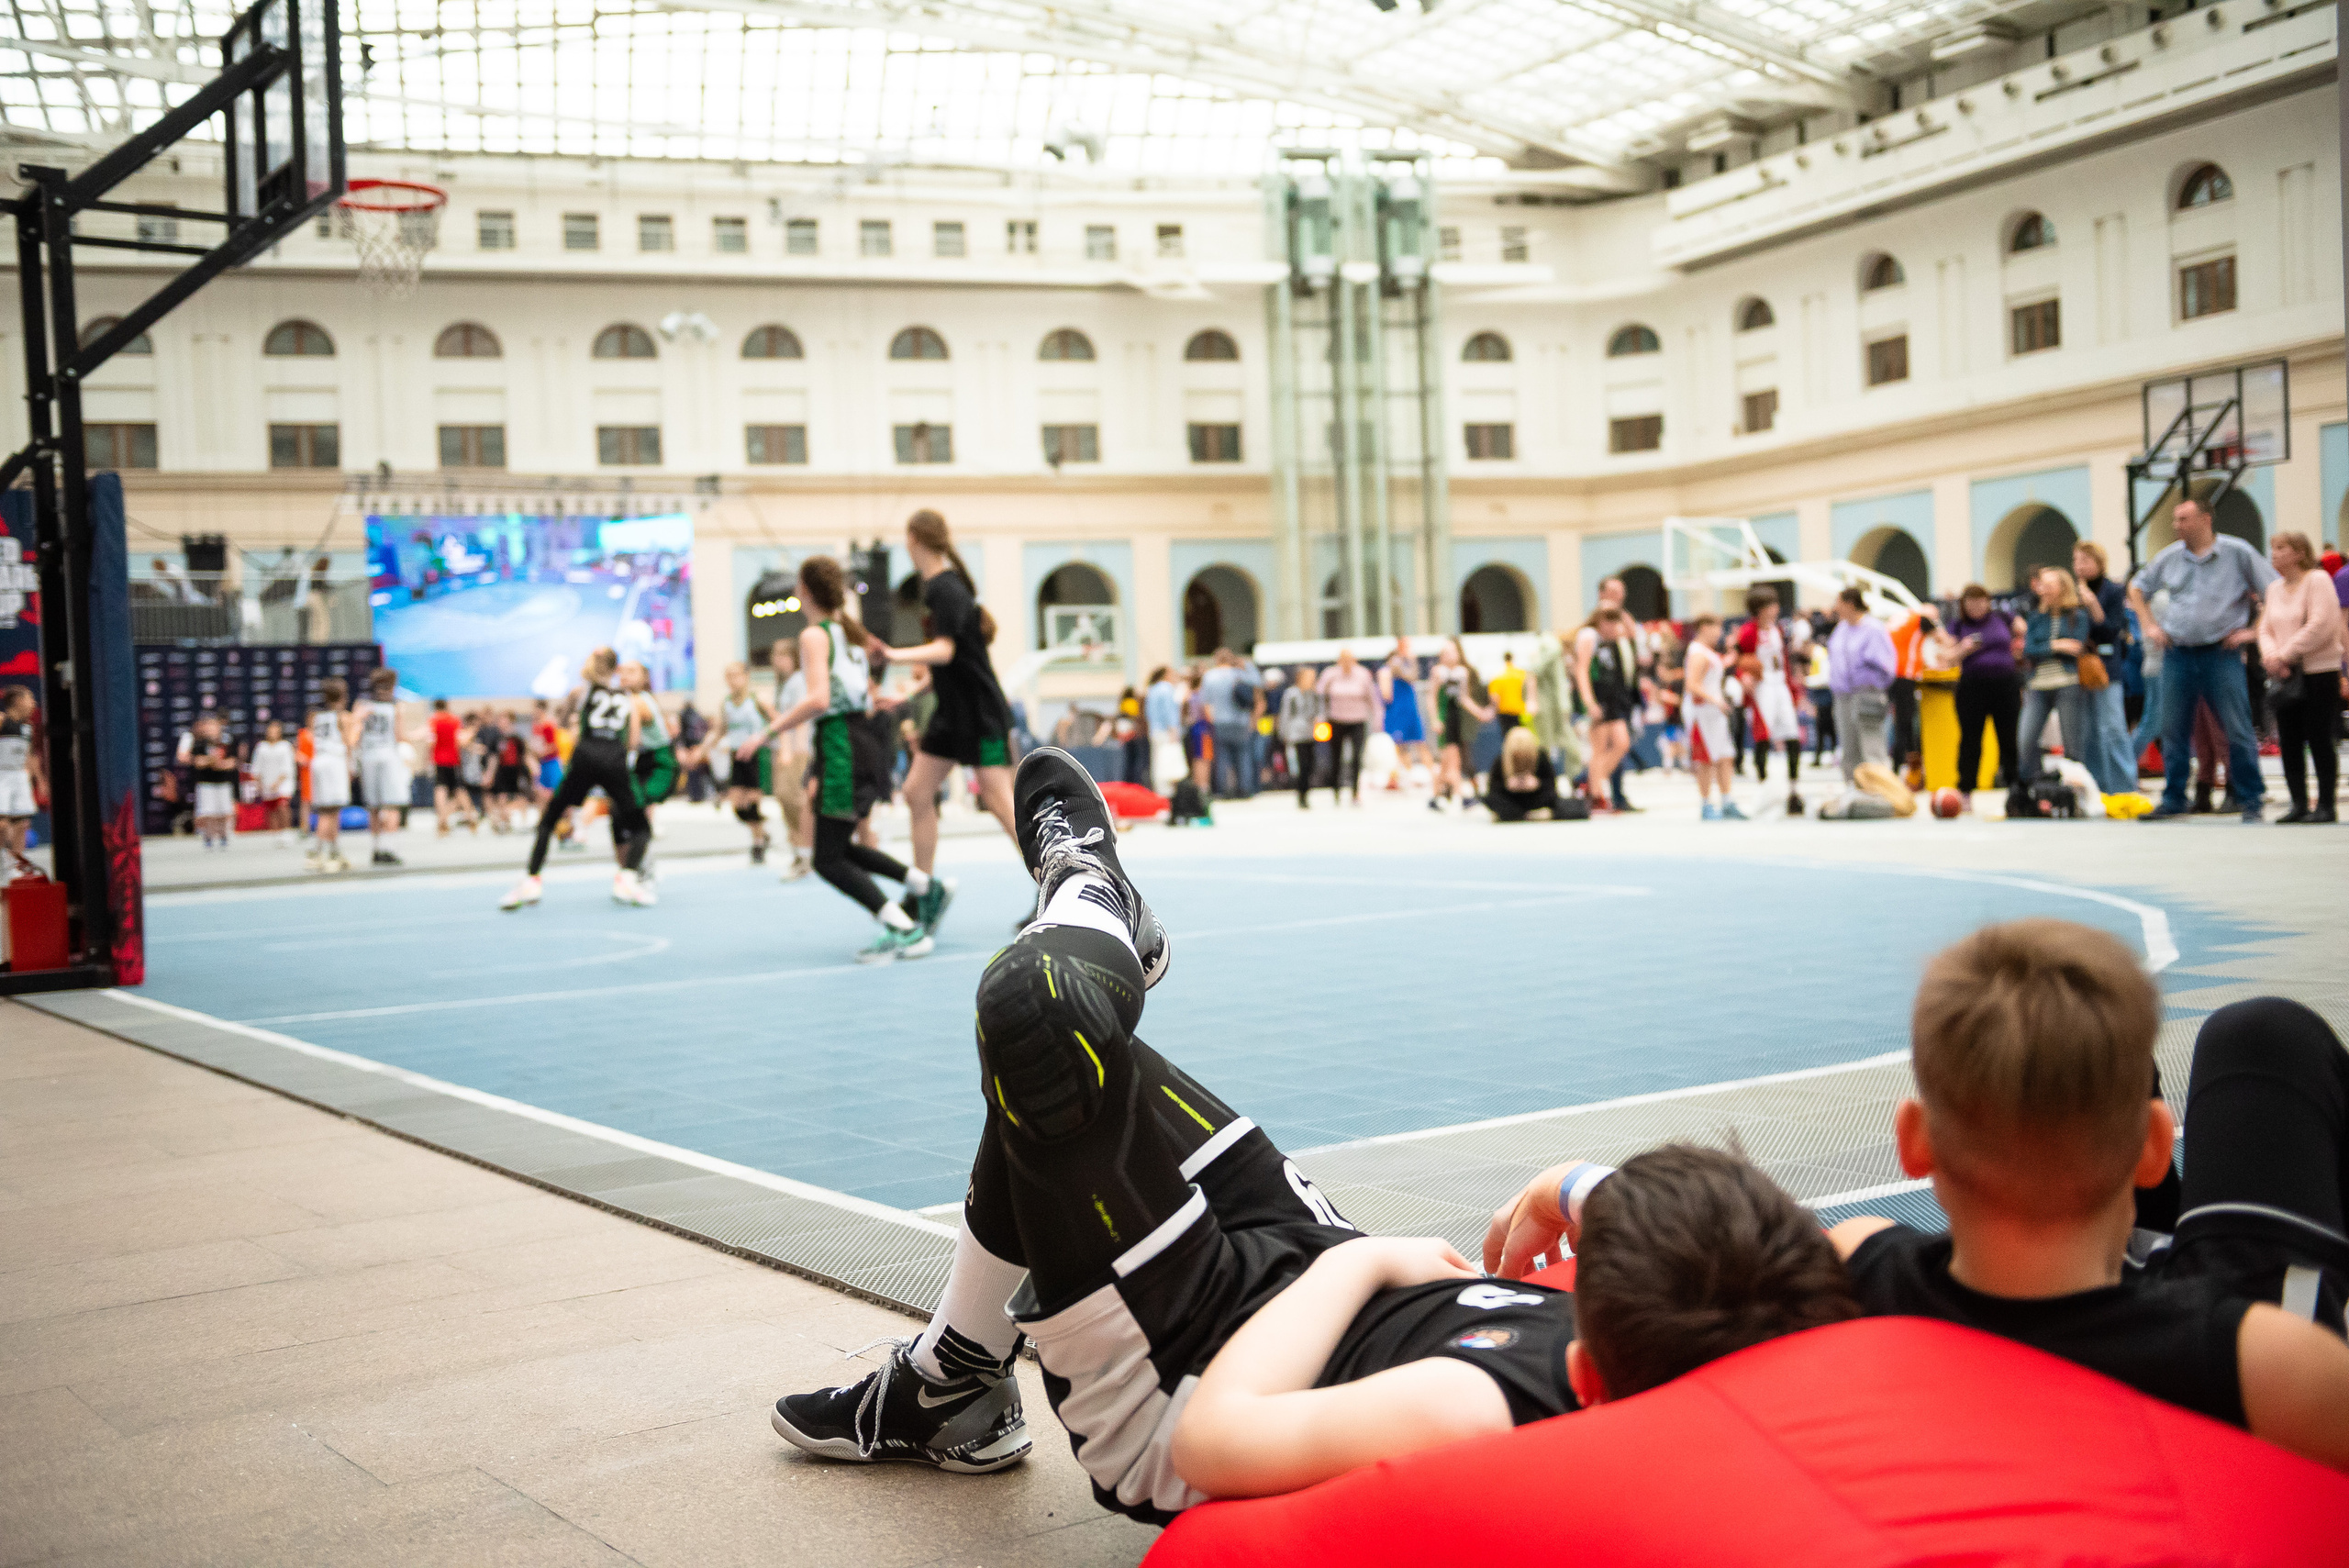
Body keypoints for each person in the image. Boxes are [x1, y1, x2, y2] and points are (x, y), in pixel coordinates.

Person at [772, 747, 1854, 1514]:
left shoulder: (1475, 1404)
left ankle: (1091, 893)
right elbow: (1817, 1252)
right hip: (1298, 1259)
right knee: (1068, 1072)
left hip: (1184, 1368)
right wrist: (1571, 1185)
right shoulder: (1708, 1319)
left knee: (1041, 1025)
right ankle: (949, 1378)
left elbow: (1213, 1440)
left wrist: (1372, 1258)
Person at [1823, 920, 2349, 1473]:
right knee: (2260, 1035)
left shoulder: (1851, 1271)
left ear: (1912, 1141)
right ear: (2155, 1146)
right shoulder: (2272, 1365)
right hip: (2193, 1358)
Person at [740, 557, 930, 962]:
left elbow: (819, 700)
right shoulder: (850, 633)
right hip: (862, 738)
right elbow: (865, 688)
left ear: (804, 590)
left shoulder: (815, 635)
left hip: (841, 742)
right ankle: (923, 885)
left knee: (826, 858)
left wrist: (768, 732)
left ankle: (904, 927)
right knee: (838, 845)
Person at [862, 510, 1019, 936]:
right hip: (952, 714)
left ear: (914, 538)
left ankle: (1056, 889)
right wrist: (908, 693)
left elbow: (948, 651)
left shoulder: (946, 587)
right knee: (916, 792)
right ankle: (923, 889)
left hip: (980, 713)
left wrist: (893, 655)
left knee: (1000, 802)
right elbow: (952, 662)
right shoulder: (940, 588)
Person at [2128, 491, 2276, 822]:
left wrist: (2254, 631)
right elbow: (2137, 589)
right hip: (2178, 653)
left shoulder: (2237, 552)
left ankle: (2251, 798)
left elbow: (2273, 590)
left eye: (2183, 518)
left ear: (2205, 520)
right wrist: (2149, 625)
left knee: (2236, 728)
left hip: (2220, 653)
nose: (2176, 524)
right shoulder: (2168, 557)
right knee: (2173, 728)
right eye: (2175, 519)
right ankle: (2175, 798)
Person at [501, 647, 655, 910]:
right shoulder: (628, 697)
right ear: (616, 669)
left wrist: (577, 726)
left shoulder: (580, 691)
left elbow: (561, 723)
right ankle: (627, 877)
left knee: (549, 820)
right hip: (615, 762)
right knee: (642, 827)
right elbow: (633, 741)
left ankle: (532, 879)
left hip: (585, 759)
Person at [2258, 530, 2343, 824]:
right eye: (2273, 548)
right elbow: (2265, 628)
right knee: (2290, 739)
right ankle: (2298, 802)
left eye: (2281, 548)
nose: (2275, 554)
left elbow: (2322, 623)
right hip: (2284, 674)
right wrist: (2271, 656)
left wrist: (2285, 655)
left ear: (2298, 552)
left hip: (2318, 671)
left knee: (2319, 738)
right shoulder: (2273, 589)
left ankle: (2326, 805)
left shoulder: (2317, 580)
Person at [2016, 566, 2090, 793]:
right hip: (2038, 684)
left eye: (2049, 585)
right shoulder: (2036, 617)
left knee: (2072, 744)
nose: (2043, 590)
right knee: (2025, 740)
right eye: (2042, 585)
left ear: (2062, 587)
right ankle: (2037, 788)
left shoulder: (2078, 616)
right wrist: (2056, 645)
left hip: (2068, 683)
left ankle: (2074, 792)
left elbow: (2076, 646)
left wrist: (2044, 647)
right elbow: (2028, 649)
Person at [1733, 587, 1806, 816]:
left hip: (1780, 684)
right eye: (1771, 604)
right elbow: (1738, 659)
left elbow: (1784, 660)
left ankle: (1794, 790)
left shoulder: (1779, 629)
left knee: (1793, 735)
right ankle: (1764, 786)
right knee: (1763, 736)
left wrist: (1794, 688)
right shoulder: (1748, 632)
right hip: (1762, 686)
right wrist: (1743, 677)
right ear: (1761, 608)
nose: (1776, 608)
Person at [1946, 584, 2023, 798]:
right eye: (1970, 603)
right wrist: (1963, 648)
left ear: (1988, 601)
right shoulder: (1958, 625)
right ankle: (1966, 788)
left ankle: (2014, 786)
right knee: (1971, 739)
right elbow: (1947, 657)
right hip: (1973, 687)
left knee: (2008, 737)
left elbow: (2024, 628)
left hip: (2005, 684)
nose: (1976, 607)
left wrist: (2019, 646)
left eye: (1980, 601)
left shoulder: (2001, 617)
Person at [2072, 542, 2136, 794]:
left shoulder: (2113, 591)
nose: (2080, 566)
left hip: (2107, 667)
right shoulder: (2072, 592)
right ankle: (2098, 788)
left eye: (2085, 560)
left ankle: (2125, 787)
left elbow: (2111, 630)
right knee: (2089, 731)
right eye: (2076, 560)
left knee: (2112, 727)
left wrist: (2092, 605)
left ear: (2099, 562)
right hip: (2081, 667)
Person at [1825, 588, 1896, 791]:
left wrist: (1869, 681)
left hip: (1867, 693)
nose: (1835, 607)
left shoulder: (1873, 628)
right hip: (1843, 695)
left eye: (1838, 602)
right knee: (1849, 745)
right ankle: (1853, 786)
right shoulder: (1841, 629)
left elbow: (1886, 664)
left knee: (1872, 743)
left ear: (1849, 604)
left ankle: (1880, 788)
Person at [619, 662, 678, 878]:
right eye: (622, 671)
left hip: (660, 762)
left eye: (632, 671)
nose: (625, 675)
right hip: (641, 760)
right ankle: (641, 859)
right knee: (627, 810)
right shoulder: (629, 700)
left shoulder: (639, 702)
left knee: (636, 805)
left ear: (645, 678)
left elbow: (631, 739)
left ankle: (642, 864)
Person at [715, 661, 777, 862]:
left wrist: (773, 743)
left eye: (736, 675)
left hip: (756, 755)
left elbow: (777, 722)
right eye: (729, 676)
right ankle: (762, 832)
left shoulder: (757, 699)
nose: (733, 680)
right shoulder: (726, 703)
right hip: (737, 755)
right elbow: (719, 730)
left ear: (746, 676)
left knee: (752, 804)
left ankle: (757, 843)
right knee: (738, 807)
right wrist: (701, 750)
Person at [1682, 615, 1741, 820]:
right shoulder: (1698, 653)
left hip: (1715, 711)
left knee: (1725, 755)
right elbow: (1692, 684)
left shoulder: (1708, 652)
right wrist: (1715, 700)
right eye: (1717, 628)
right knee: (1705, 758)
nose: (1720, 633)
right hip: (1702, 711)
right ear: (1704, 627)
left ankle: (1726, 800)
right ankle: (1706, 803)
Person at [1583, 607, 1638, 815]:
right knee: (1600, 748)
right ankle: (1595, 792)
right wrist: (1589, 701)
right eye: (1610, 621)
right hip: (1601, 699)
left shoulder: (1615, 643)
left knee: (1620, 744)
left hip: (1616, 699)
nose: (1615, 626)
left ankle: (1593, 787)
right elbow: (1582, 670)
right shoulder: (1591, 639)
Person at [351, 667, 408, 867]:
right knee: (391, 805)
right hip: (388, 756)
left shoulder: (362, 704)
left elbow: (354, 734)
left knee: (374, 807)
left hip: (368, 757)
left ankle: (376, 848)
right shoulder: (395, 707)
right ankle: (389, 848)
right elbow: (399, 736)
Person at [767, 639, 813, 880]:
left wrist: (796, 750)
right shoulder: (784, 685)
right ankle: (799, 848)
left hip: (796, 750)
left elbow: (801, 718)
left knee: (793, 797)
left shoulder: (798, 682)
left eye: (783, 656)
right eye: (775, 656)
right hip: (784, 748)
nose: (777, 661)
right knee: (784, 798)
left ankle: (805, 850)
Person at [1430, 638, 1492, 811]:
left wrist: (1480, 712)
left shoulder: (1462, 673)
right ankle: (1460, 795)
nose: (1451, 656)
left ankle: (1436, 796)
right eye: (1447, 652)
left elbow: (1464, 698)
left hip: (1456, 717)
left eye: (1454, 652)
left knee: (1447, 761)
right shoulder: (1438, 672)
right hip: (1444, 717)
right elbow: (1432, 698)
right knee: (1453, 758)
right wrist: (1435, 718)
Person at [1318, 646, 1377, 805]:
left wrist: (1377, 718)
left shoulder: (1363, 674)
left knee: (1356, 756)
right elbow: (1320, 696)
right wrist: (1321, 718)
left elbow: (1372, 698)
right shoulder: (1330, 674)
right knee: (1336, 756)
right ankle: (1336, 790)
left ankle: (1355, 792)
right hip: (1336, 720)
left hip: (1357, 720)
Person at [305, 681, 353, 874]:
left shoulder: (316, 717)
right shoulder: (343, 717)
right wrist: (350, 767)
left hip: (319, 761)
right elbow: (349, 743)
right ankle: (317, 853)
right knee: (331, 812)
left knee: (325, 809)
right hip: (334, 762)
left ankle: (334, 852)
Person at [1199, 649, 1259, 799]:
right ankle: (1244, 789)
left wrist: (1212, 719)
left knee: (1222, 757)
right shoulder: (1239, 674)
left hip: (1220, 721)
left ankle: (1223, 790)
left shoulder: (1210, 676)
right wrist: (1246, 665)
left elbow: (1205, 702)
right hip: (1240, 721)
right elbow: (1258, 682)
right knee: (1243, 755)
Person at [177, 715, 238, 851]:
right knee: (208, 812)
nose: (211, 729)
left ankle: (223, 837)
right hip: (205, 783)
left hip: (223, 782)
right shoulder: (199, 743)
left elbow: (233, 762)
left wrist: (220, 764)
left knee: (223, 812)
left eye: (214, 726)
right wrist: (209, 761)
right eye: (208, 726)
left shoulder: (227, 742)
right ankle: (208, 838)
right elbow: (196, 761)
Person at [0, 685, 43, 864]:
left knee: (23, 824)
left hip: (19, 777)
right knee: (2, 825)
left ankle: (16, 863)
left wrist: (39, 780)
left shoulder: (27, 728)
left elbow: (29, 756)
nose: (34, 703)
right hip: (2, 774)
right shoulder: (2, 720)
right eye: (29, 698)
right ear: (18, 701)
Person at [1483, 726, 1561, 821]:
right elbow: (1492, 794)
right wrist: (1508, 786)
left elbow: (1552, 791)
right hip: (1511, 802)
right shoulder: (1500, 761)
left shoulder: (1541, 758)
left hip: (1536, 802)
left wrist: (1537, 784)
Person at [1378, 642, 1431, 780]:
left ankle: (1429, 776)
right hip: (1397, 712)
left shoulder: (1405, 672)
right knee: (1400, 747)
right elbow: (1386, 695)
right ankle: (1403, 776)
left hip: (1406, 712)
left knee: (1416, 744)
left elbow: (1413, 677)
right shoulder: (1386, 672)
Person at [1276, 664, 1325, 808]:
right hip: (1296, 734)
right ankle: (1301, 794)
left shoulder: (1314, 694)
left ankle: (1306, 791)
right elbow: (1285, 714)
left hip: (1310, 733)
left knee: (1310, 765)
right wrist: (1283, 733)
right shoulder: (1291, 694)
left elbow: (1319, 712)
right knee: (1301, 765)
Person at [423, 697, 469, 837]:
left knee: (440, 788)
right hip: (453, 760)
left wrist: (426, 759)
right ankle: (469, 815)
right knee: (458, 789)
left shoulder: (433, 720)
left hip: (438, 760)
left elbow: (430, 741)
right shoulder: (455, 720)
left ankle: (442, 819)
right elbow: (459, 740)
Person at [250, 718, 295, 843]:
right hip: (266, 784)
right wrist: (258, 783)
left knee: (282, 806)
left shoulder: (285, 746)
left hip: (282, 784)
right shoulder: (261, 747)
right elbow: (256, 767)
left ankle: (286, 832)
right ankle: (275, 835)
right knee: (271, 810)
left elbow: (287, 767)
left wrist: (277, 783)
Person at [1144, 665, 1185, 792]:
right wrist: (1174, 730)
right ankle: (1167, 792)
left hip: (1155, 730)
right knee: (1167, 763)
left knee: (1157, 763)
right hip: (1166, 731)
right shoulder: (1166, 689)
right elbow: (1169, 712)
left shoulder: (1153, 689)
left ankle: (1158, 791)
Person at [1486, 651, 1528, 733]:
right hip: (1520, 711)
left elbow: (1494, 696)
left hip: (1504, 712)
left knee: (1507, 737)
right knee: (1520, 736)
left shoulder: (1498, 676)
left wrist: (1493, 710)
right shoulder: (1522, 674)